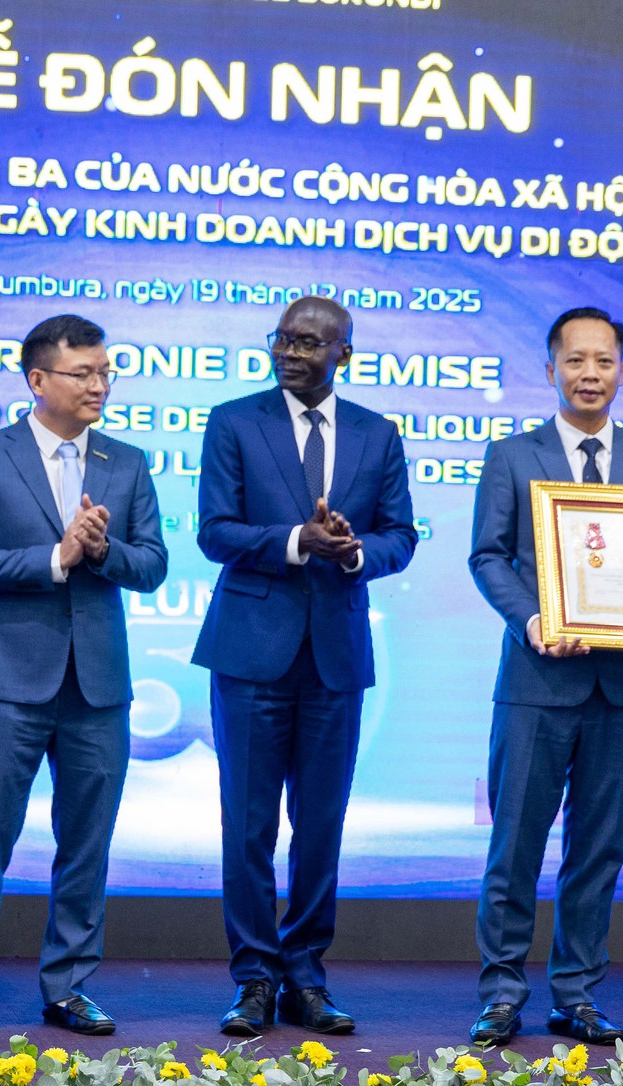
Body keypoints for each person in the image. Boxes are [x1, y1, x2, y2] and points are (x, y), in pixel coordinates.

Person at [193, 295, 417, 1037]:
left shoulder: (377, 433)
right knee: (248, 824)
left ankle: (306, 975)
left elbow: (400, 536)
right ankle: (254, 977)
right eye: (283, 339)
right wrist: (297, 541)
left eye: (308, 343)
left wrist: (352, 552)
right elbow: (215, 532)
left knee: (320, 825)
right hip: (249, 652)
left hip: (336, 655)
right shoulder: (233, 421)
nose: (290, 352)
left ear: (342, 353)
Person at [0, 315, 168, 1037]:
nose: (99, 386)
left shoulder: (127, 462)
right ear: (37, 380)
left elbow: (152, 565)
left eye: (106, 372)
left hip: (98, 685)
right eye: (83, 373)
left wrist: (100, 552)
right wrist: (55, 557)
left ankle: (68, 985)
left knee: (87, 841)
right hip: (9, 680)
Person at [464, 308, 623, 1048]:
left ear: (622, 370)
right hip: (536, 681)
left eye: (604, 361)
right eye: (577, 361)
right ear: (550, 368)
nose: (591, 374)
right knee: (515, 844)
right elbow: (488, 556)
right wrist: (531, 620)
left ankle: (578, 993)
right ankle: (501, 992)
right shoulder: (511, 455)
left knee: (599, 846)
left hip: (621, 686)